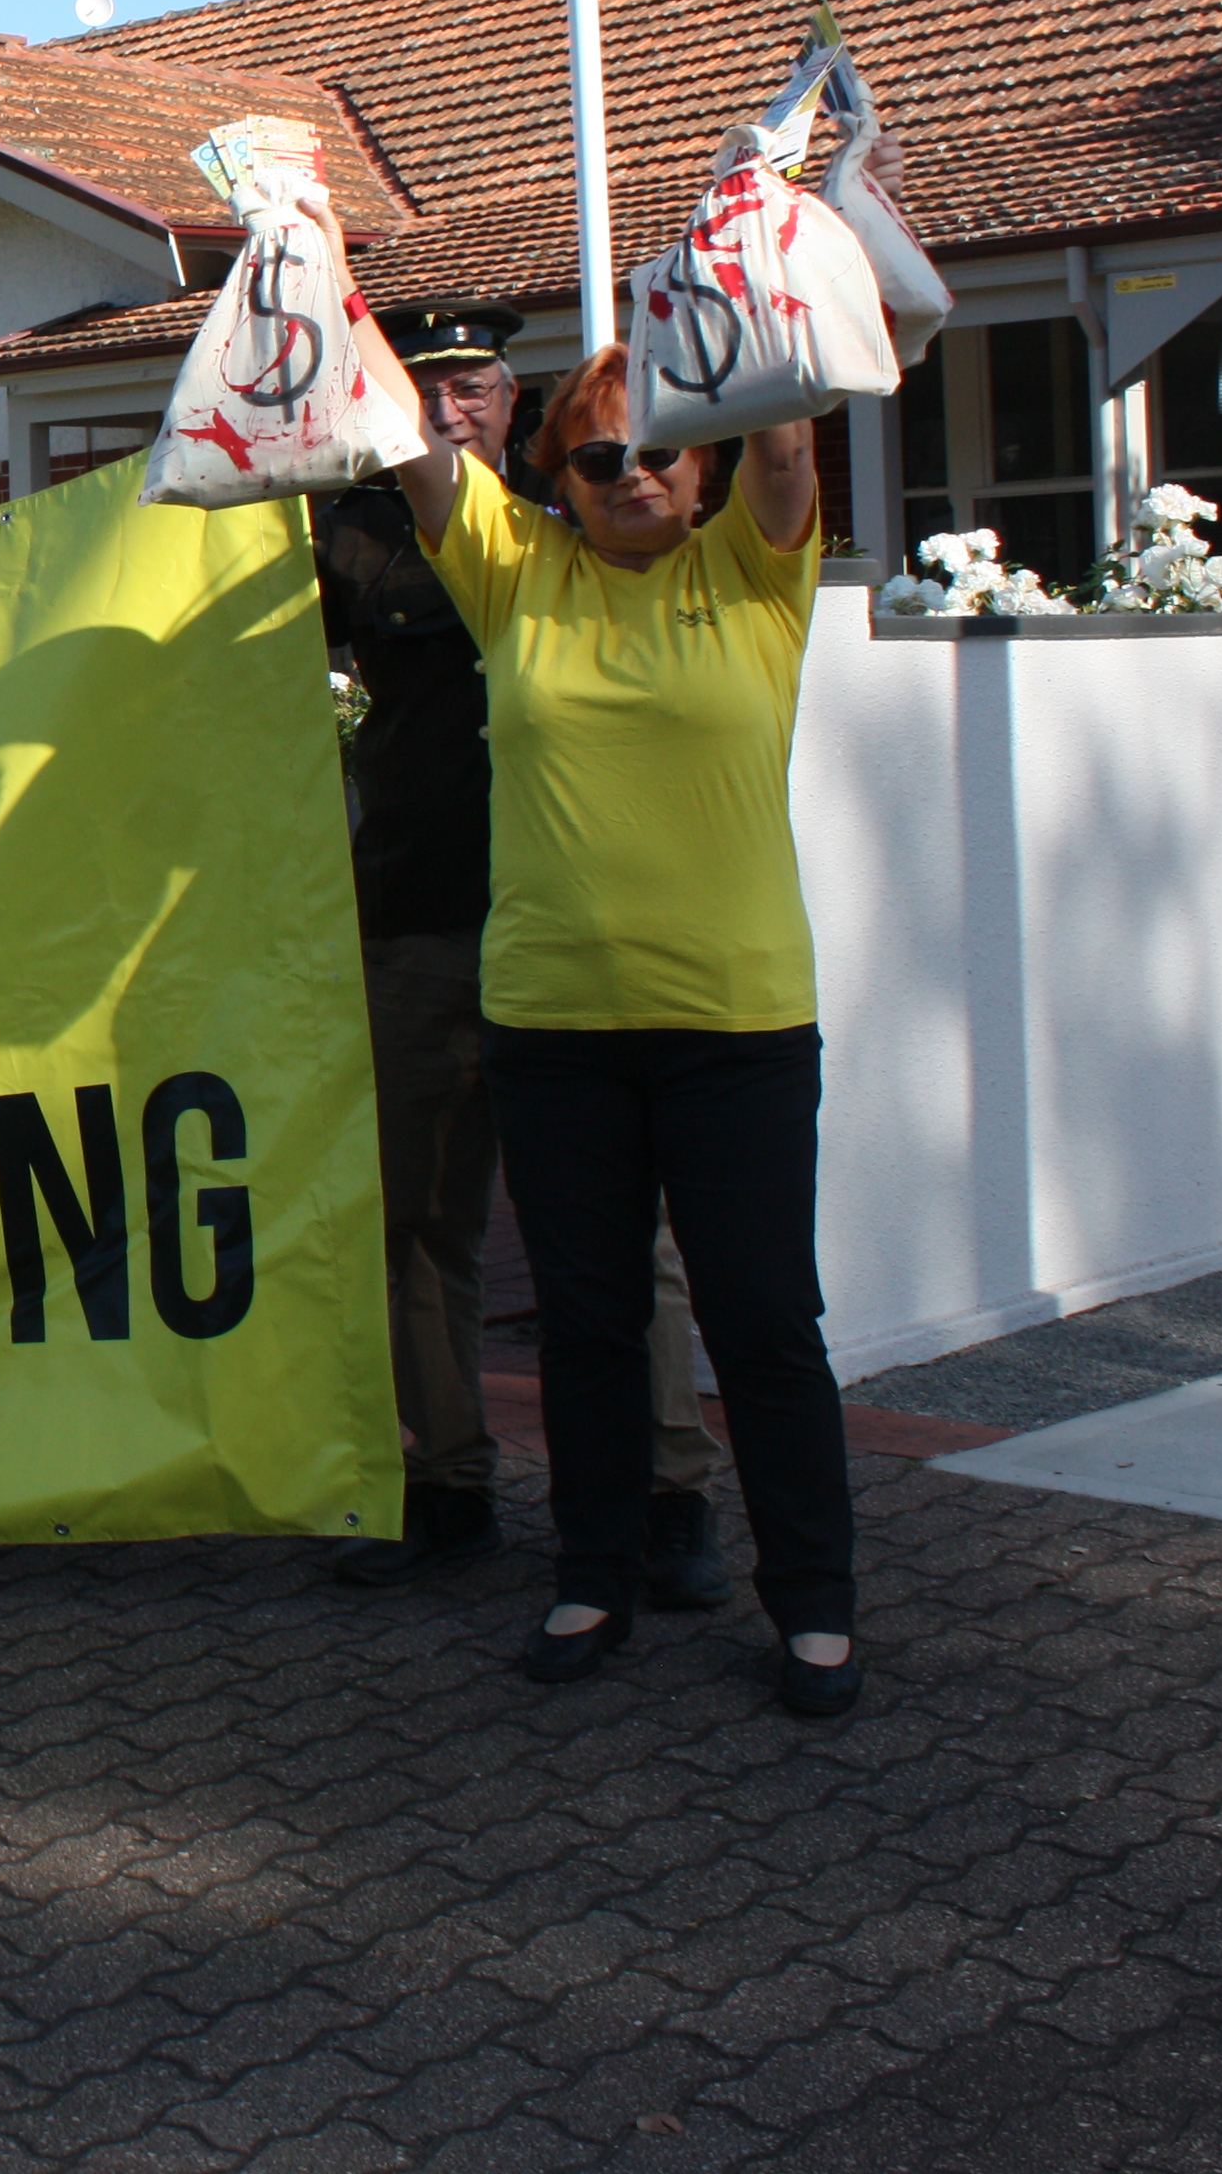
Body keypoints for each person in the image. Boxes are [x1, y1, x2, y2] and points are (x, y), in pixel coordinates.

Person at [362, 299, 858, 1720]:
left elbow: (787, 435)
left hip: (738, 1027)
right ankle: (594, 1574)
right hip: (555, 1028)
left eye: (659, 454)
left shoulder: (760, 574)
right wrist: (311, 251)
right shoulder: (516, 578)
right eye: (596, 460)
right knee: (581, 1326)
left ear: (700, 470)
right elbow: (406, 435)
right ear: (559, 484)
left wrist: (764, 273)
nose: (633, 474)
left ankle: (814, 1605)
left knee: (764, 1323)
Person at [315, 309, 731, 1605]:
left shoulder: (590, 513)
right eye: (429, 387)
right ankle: (443, 1480)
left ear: (515, 401)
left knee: (621, 1236)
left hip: (571, 919)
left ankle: (668, 1491)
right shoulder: (351, 533)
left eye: (475, 386)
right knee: (418, 1220)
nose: (450, 408)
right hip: (420, 914)